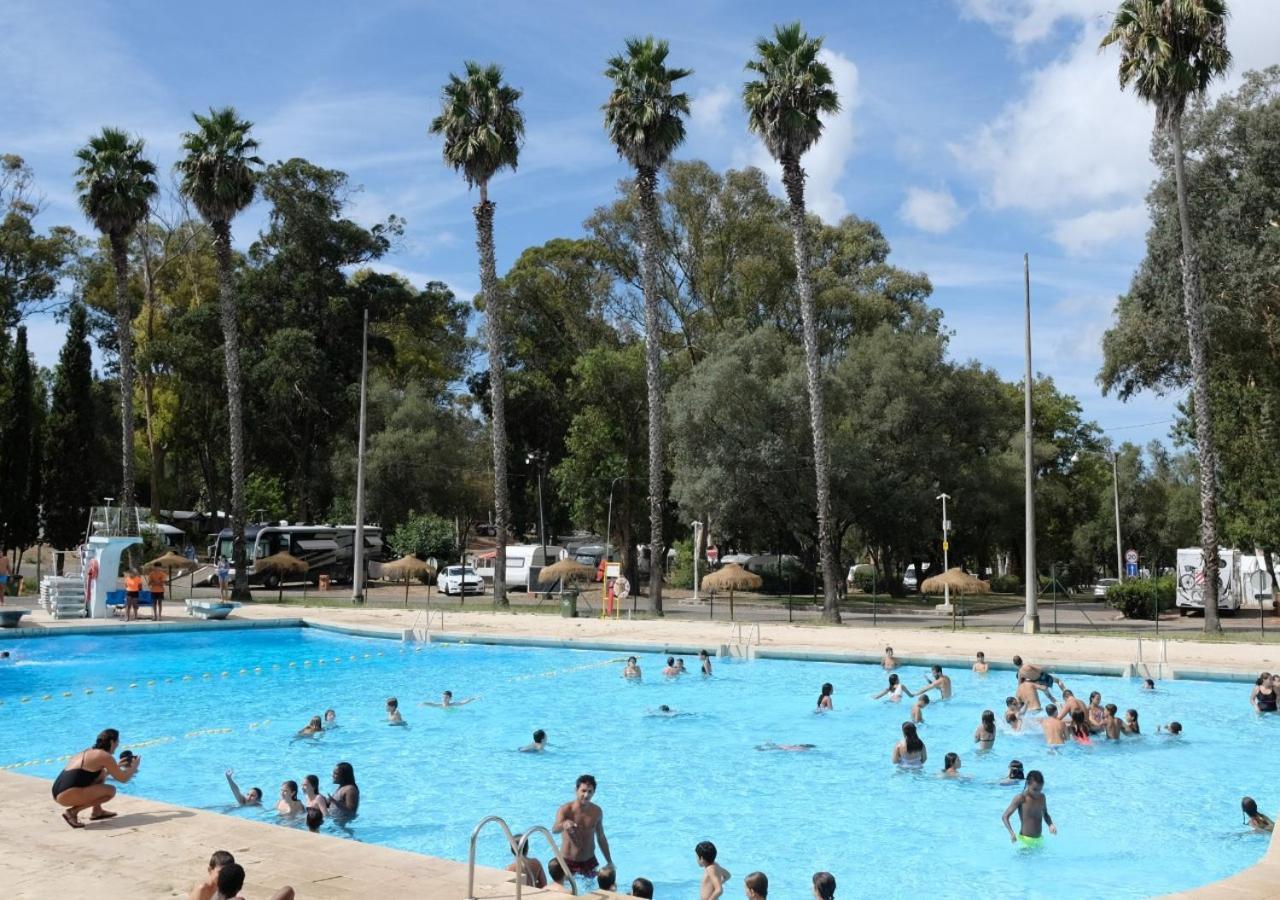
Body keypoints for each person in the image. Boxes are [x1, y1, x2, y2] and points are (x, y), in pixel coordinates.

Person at [51, 728, 139, 828]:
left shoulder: (90, 751)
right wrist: (134, 766)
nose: (118, 745)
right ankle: (72, 812)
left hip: (58, 791)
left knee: (100, 774)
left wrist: (117, 766)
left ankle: (97, 811)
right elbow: (123, 779)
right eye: (118, 741)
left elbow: (99, 776)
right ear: (112, 742)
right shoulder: (104, 756)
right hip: (66, 795)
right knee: (110, 791)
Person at [552, 774, 613, 879]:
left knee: (593, 893)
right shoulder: (565, 810)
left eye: (590, 792)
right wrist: (564, 824)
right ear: (576, 790)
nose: (586, 795)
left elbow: (601, 837)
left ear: (594, 792)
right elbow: (554, 830)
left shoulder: (597, 811)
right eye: (583, 791)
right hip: (567, 862)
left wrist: (609, 861)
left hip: (589, 862)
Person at [1003, 770, 1057, 848]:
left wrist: (1050, 825)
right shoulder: (1021, 798)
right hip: (1025, 841)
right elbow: (1005, 816)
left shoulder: (1042, 797)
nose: (1037, 793)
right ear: (1028, 784)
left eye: (1040, 789)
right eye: (1035, 789)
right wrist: (1011, 833)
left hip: (1039, 839)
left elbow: (1045, 814)